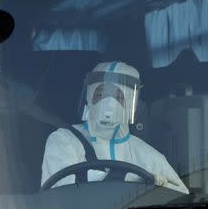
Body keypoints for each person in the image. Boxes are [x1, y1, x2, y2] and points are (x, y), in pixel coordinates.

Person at [41, 61, 189, 193]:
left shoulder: (148, 156)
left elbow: (180, 199)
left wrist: (158, 191)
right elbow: (60, 192)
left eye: (118, 97)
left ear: (132, 102)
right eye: (101, 94)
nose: (108, 104)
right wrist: (130, 180)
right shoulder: (64, 141)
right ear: (89, 97)